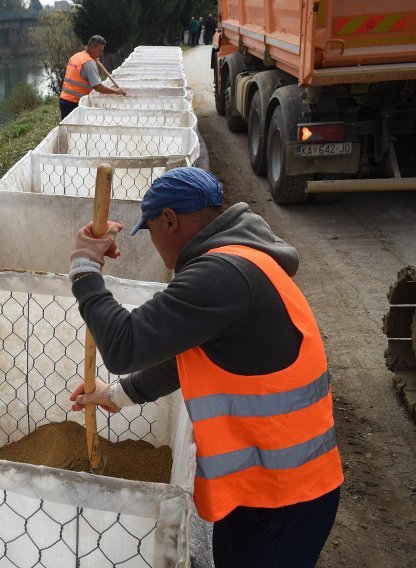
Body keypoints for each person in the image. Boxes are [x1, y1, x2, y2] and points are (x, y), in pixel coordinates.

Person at [67, 167, 343, 567]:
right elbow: (189, 359)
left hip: (280, 498)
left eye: (152, 230)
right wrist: (115, 396)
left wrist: (84, 268)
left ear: (170, 220)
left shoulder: (221, 275)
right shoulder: (244, 262)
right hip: (270, 488)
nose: (156, 243)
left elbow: (122, 346)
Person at [58, 35, 126, 120]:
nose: (101, 54)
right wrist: (115, 91)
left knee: (68, 128)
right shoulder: (89, 63)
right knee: (77, 130)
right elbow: (97, 87)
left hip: (64, 100)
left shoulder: (76, 56)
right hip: (75, 103)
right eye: (99, 50)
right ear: (92, 47)